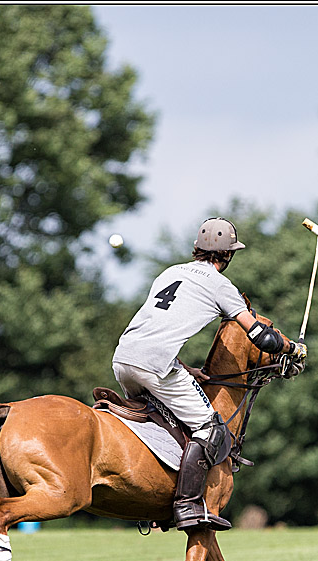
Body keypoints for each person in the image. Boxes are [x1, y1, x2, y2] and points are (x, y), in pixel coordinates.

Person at [112, 217, 306, 531]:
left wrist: (187, 371)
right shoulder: (220, 285)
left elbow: (157, 329)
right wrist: (291, 348)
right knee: (210, 428)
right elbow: (259, 335)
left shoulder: (170, 272)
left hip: (124, 359)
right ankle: (187, 506)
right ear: (228, 256)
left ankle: (151, 497)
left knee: (162, 422)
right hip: (156, 364)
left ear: (196, 249)